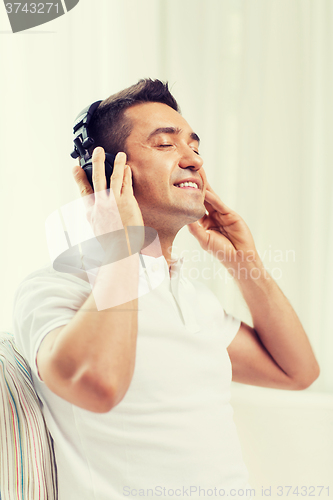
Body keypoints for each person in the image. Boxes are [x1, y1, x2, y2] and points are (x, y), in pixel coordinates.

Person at [13, 79, 320, 500]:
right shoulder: (54, 287)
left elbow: (296, 372)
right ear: (105, 175)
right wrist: (120, 244)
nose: (193, 160)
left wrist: (243, 263)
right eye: (165, 145)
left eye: (194, 147)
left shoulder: (190, 297)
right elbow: (98, 385)